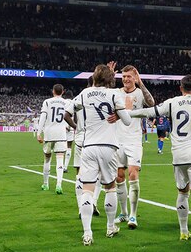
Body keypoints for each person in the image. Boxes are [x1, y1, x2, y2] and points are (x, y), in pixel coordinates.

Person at [130, 75, 191, 251]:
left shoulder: (172, 102)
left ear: (180, 88)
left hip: (178, 157)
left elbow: (149, 112)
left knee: (183, 192)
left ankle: (183, 231)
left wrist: (128, 113)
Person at [66, 64, 134, 246]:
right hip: (109, 147)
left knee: (87, 189)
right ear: (110, 80)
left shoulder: (85, 93)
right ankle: (110, 227)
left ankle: (87, 233)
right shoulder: (114, 95)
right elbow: (127, 121)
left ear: (94, 78)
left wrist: (78, 127)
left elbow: (67, 112)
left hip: (88, 146)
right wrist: (120, 114)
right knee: (110, 187)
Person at [113, 64, 155, 230]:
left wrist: (141, 83)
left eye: (129, 76)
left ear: (134, 78)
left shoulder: (140, 92)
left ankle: (133, 214)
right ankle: (123, 213)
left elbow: (151, 104)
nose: (125, 79)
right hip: (118, 139)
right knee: (119, 176)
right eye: (123, 77)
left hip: (134, 140)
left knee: (133, 173)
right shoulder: (117, 93)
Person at [71, 77, 101, 218]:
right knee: (98, 174)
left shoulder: (80, 96)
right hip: (95, 138)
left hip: (80, 138)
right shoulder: (100, 97)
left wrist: (76, 127)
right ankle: (93, 202)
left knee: (80, 173)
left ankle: (80, 207)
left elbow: (66, 114)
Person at [36, 84, 73, 194]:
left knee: (47, 158)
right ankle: (59, 185)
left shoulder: (47, 102)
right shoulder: (66, 103)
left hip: (49, 134)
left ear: (53, 91)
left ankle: (46, 184)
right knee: (60, 159)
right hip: (61, 134)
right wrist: (69, 127)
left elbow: (43, 117)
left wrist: (39, 133)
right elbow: (69, 117)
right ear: (63, 92)